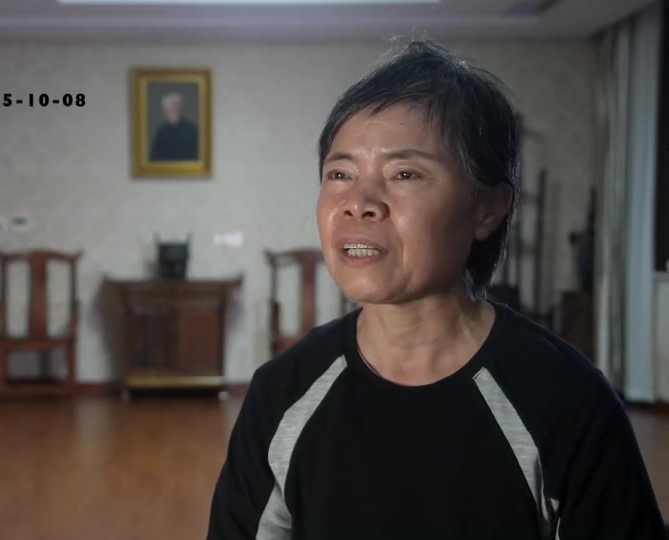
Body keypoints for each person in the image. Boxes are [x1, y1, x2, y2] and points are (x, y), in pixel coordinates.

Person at [207, 39, 665, 539]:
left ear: (488, 209)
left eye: (405, 173)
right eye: (340, 173)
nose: (359, 202)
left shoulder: (567, 401)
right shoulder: (282, 393)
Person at [149, 92, 198, 161]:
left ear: (182, 110)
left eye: (176, 109)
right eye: (170, 109)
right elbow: (154, 158)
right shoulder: (161, 132)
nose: (174, 112)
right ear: (165, 112)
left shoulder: (192, 129)